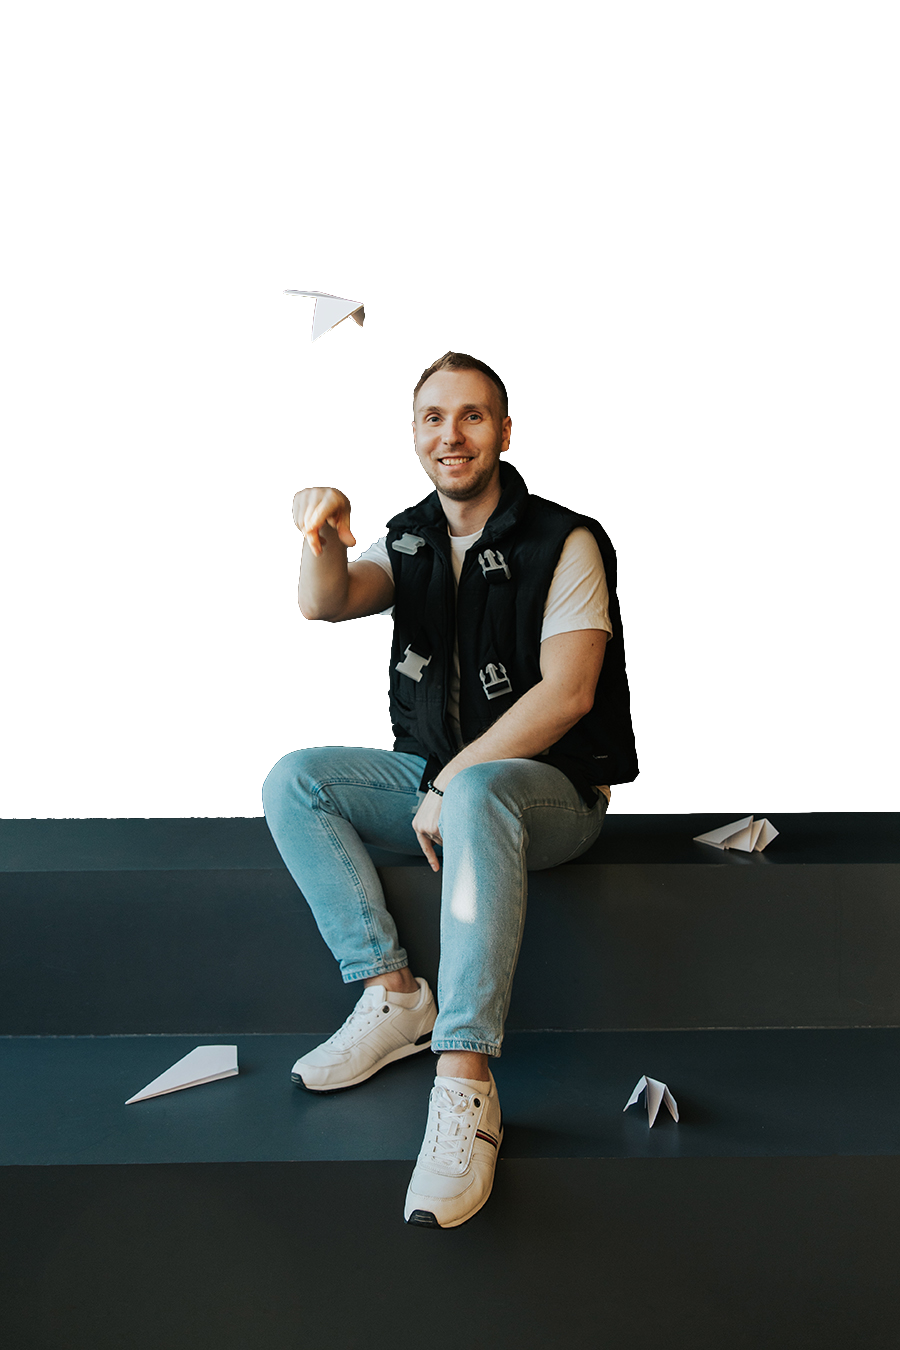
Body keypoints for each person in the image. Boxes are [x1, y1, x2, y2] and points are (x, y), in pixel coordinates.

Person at [262, 351, 638, 1228]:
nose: (451, 434)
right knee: (296, 781)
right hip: (440, 782)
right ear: (414, 435)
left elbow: (570, 694)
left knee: (474, 796)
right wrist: (320, 538)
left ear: (503, 432)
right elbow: (328, 603)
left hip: (555, 794)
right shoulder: (411, 537)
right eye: (433, 417)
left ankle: (465, 1081)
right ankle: (394, 992)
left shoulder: (565, 539)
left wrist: (459, 779)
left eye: (471, 416)